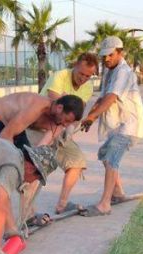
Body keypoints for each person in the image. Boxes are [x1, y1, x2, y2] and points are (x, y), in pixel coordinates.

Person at [79, 36, 143, 217]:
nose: (106, 59)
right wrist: (89, 115)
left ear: (120, 53)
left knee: (111, 159)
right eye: (104, 56)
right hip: (119, 126)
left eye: (110, 55)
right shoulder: (110, 72)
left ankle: (105, 204)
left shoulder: (123, 72)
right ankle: (117, 193)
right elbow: (103, 98)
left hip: (130, 125)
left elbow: (111, 98)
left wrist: (93, 117)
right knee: (104, 154)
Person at [37, 52, 98, 214]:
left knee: (77, 161)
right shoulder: (60, 76)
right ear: (75, 66)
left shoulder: (88, 87)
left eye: (88, 76)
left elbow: (77, 113)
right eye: (81, 74)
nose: (84, 78)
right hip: (40, 126)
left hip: (62, 129)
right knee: (36, 167)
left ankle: (62, 204)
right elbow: (57, 105)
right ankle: (27, 213)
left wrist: (69, 129)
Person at [0, 92, 84, 150]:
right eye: (66, 120)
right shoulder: (36, 108)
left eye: (69, 123)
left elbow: (40, 150)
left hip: (15, 127)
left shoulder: (58, 122)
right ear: (59, 108)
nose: (65, 125)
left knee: (27, 161)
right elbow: (6, 135)